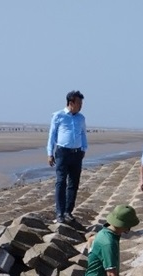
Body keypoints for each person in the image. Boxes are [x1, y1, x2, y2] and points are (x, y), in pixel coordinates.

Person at [46, 90, 88, 224]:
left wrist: (84, 149)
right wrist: (50, 153)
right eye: (79, 103)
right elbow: (52, 135)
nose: (81, 106)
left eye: (81, 103)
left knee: (73, 183)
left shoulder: (81, 118)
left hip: (77, 153)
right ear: (71, 103)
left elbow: (83, 134)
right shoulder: (58, 116)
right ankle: (59, 213)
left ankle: (68, 212)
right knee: (61, 182)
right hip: (62, 152)